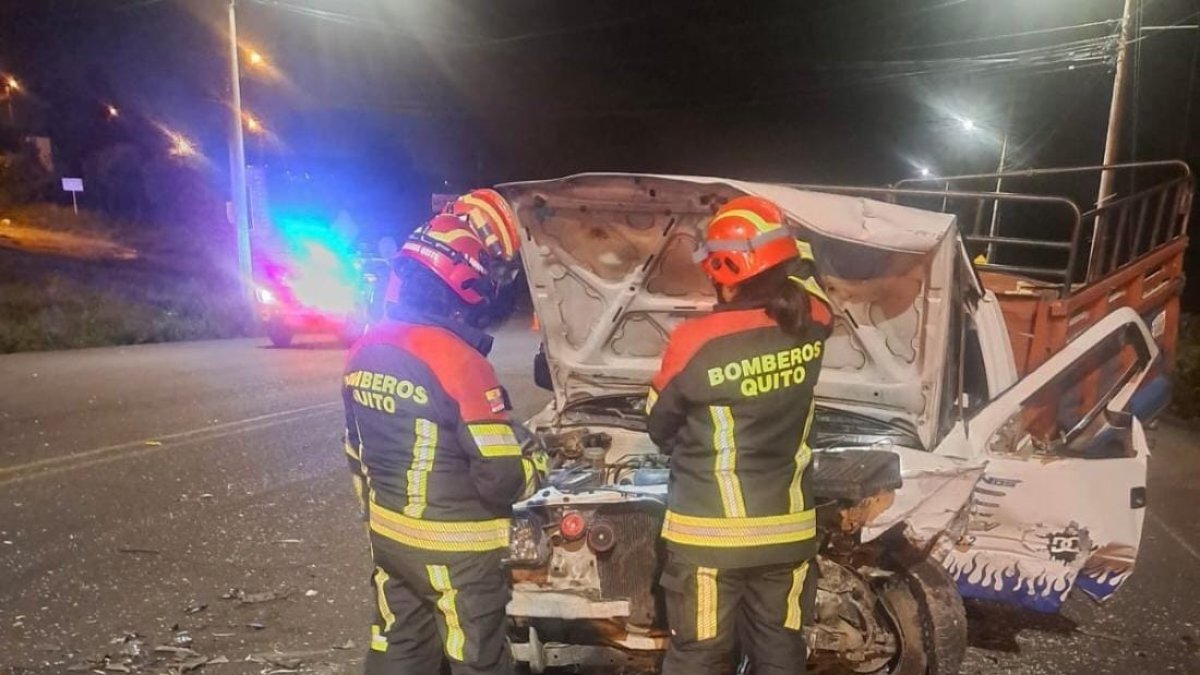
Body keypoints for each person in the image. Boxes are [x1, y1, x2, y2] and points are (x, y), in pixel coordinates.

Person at [342, 212, 546, 675]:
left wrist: (380, 519)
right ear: (466, 285)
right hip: (459, 555)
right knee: (478, 660)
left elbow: (355, 453)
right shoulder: (460, 362)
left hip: (391, 540)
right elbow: (501, 477)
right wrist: (539, 464)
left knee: (400, 649)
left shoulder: (366, 349)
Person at [646, 195, 834, 675]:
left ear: (721, 271)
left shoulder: (696, 341)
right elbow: (809, 278)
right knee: (779, 650)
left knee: (700, 654)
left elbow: (658, 424)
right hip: (787, 533)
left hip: (709, 539)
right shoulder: (813, 320)